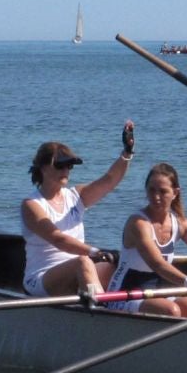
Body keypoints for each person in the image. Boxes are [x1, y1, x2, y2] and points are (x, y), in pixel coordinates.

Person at [20, 122, 136, 297]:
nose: (66, 170)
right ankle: (104, 313)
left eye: (69, 166)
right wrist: (94, 252)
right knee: (83, 262)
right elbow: (58, 239)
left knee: (122, 264)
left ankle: (126, 308)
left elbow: (110, 180)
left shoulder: (76, 196)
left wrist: (127, 153)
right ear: (43, 168)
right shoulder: (31, 205)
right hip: (41, 278)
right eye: (60, 165)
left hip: (78, 268)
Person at [106, 162, 187, 317]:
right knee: (171, 310)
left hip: (157, 291)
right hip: (124, 293)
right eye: (151, 190)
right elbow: (157, 264)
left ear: (175, 193)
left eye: (162, 191)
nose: (156, 197)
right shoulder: (138, 223)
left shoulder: (181, 224)